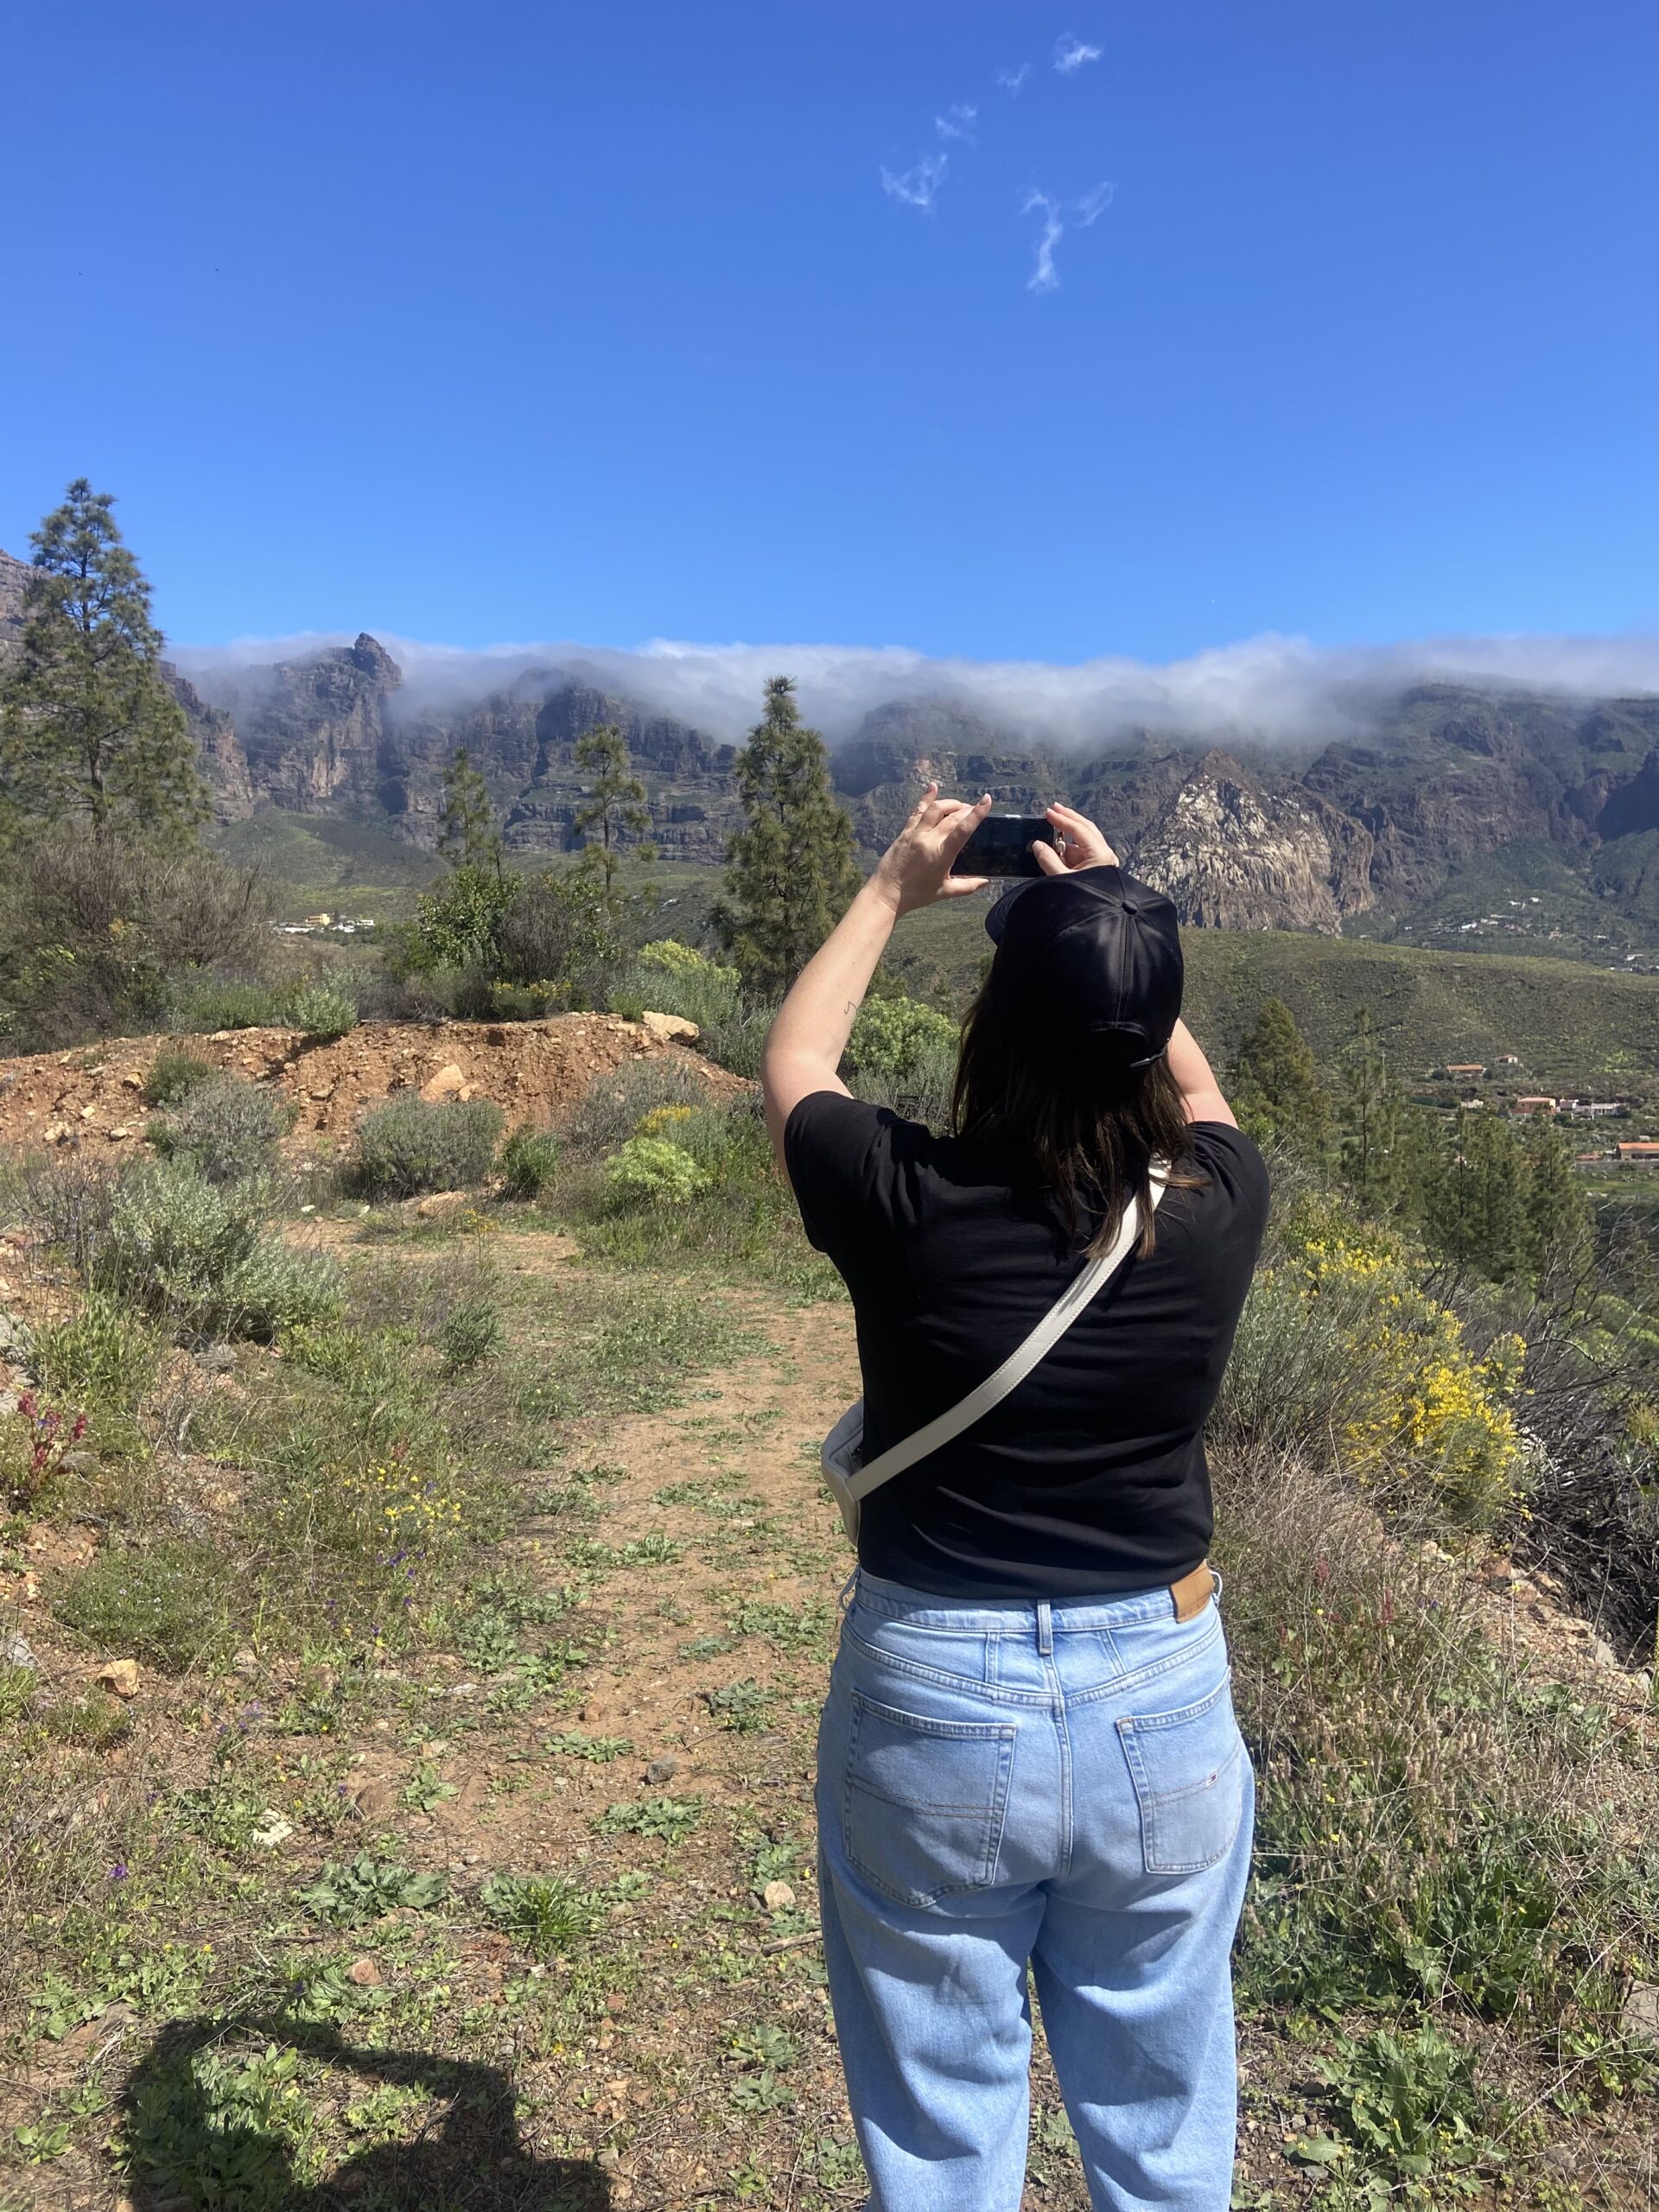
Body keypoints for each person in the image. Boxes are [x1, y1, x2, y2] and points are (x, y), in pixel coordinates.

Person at [760, 788, 1270, 2212]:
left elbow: (800, 1057)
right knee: (1165, 2115)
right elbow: (1206, 1098)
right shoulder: (1220, 1202)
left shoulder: (903, 1195)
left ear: (994, 1033)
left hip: (933, 1692)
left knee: (940, 2131)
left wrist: (889, 891)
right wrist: (1124, 916)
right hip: (1160, 1699)